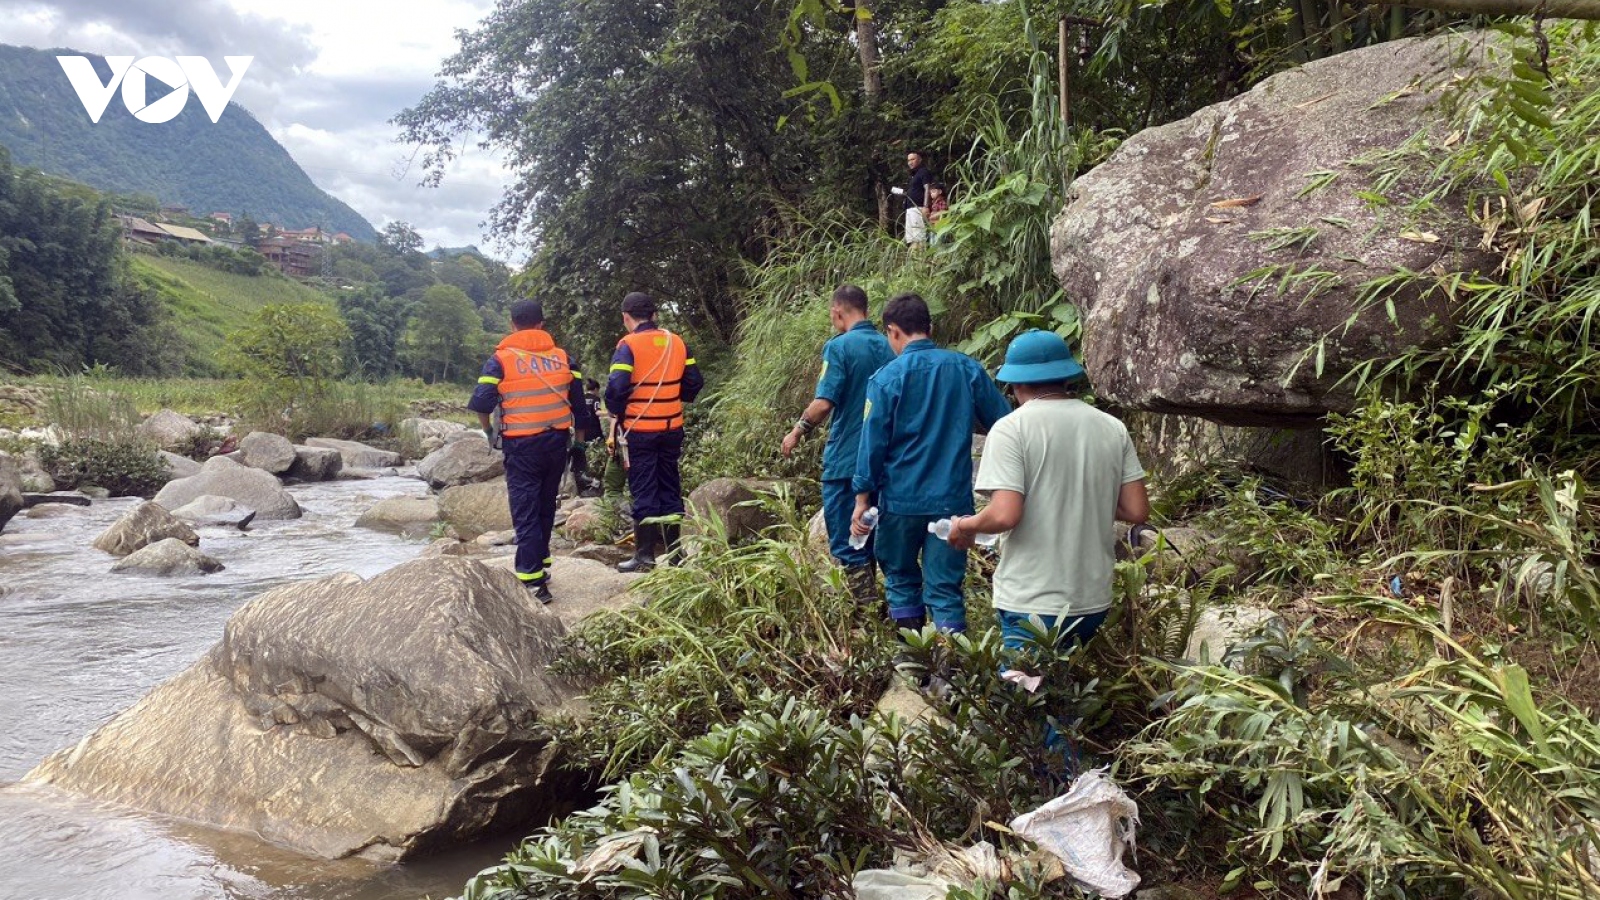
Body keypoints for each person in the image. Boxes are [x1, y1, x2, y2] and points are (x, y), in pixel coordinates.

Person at [947, 330, 1150, 652]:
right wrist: (1080, 494)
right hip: (1092, 601)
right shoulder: (1112, 427)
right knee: (1064, 693)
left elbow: (1004, 514)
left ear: (1016, 384)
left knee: (1022, 697)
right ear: (1066, 377)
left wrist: (964, 526)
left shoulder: (1012, 429)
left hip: (1033, 601)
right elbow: (1137, 511)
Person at [851, 293, 1013, 634]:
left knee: (900, 577)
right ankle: (950, 675)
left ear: (893, 331)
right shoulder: (966, 369)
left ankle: (914, 667)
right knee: (944, 587)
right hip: (951, 502)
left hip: (900, 502)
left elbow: (872, 444)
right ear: (930, 327)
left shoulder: (885, 379)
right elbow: (1005, 426)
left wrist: (862, 499)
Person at [780, 284, 896, 607]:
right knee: (872, 534)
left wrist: (797, 430)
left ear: (837, 312)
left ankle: (866, 610)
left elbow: (823, 403)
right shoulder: (889, 346)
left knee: (848, 539)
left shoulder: (839, 348)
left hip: (847, 460)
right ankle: (885, 611)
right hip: (885, 459)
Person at [468, 300, 584, 603]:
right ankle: (542, 565)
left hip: (521, 444)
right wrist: (580, 444)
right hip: (556, 441)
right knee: (546, 504)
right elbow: (580, 409)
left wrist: (489, 431)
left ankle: (532, 580)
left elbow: (481, 402)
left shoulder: (501, 360)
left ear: (512, 324)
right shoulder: (563, 359)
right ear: (542, 325)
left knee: (525, 509)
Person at [606, 291, 704, 572]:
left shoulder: (628, 345)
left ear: (627, 317)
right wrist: (673, 396)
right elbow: (695, 382)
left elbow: (616, 388)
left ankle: (645, 556)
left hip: (640, 429)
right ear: (654, 315)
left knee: (644, 489)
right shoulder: (677, 342)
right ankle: (675, 554)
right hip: (672, 427)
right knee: (670, 486)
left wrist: (617, 411)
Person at [569, 376, 603, 496]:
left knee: (584, 454)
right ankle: (594, 478)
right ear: (596, 389)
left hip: (582, 432)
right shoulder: (596, 398)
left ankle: (583, 476)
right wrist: (609, 414)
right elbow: (597, 411)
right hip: (595, 431)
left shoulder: (581, 398)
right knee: (597, 455)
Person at [893, 151, 933, 245]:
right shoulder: (914, 175)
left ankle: (921, 257)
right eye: (908, 160)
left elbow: (927, 188)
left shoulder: (923, 171)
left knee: (919, 236)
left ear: (919, 160)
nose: (910, 162)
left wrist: (925, 206)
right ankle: (913, 257)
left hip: (918, 208)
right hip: (910, 208)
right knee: (911, 238)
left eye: (913, 159)